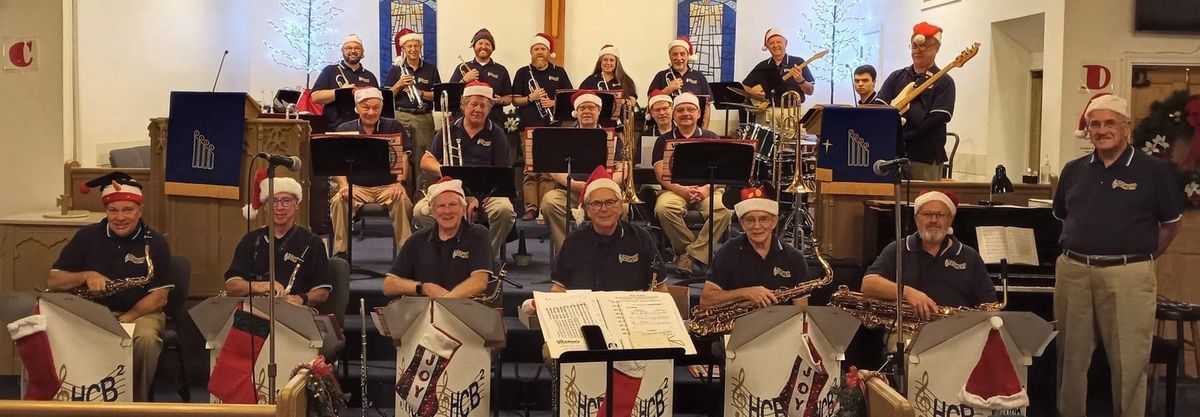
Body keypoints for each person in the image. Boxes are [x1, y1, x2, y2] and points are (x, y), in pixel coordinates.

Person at [1053, 94, 1183, 417]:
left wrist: (1141, 258)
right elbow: (1061, 215)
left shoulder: (1152, 171)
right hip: (1074, 273)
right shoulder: (1073, 171)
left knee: (1129, 364)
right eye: (1094, 124)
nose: (1101, 130)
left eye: (1110, 123)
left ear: (1126, 128)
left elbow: (1171, 225)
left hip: (1129, 276)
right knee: (1069, 362)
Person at [47, 172, 174, 402]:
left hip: (141, 313)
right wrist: (85, 275)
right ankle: (76, 399)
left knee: (146, 340)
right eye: (113, 210)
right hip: (91, 312)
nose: (120, 217)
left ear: (140, 210)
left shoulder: (155, 242)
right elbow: (54, 281)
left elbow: (160, 296)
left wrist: (126, 319)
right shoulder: (86, 237)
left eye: (127, 210)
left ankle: (134, 402)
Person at [415, 81, 515, 261]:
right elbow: (425, 161)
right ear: (463, 106)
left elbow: (502, 174)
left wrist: (478, 197)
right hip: (451, 188)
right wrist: (448, 173)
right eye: (473, 104)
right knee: (420, 211)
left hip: (487, 191)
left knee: (505, 210)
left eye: (483, 105)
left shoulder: (497, 134)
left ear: (489, 109)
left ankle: (483, 257)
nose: (478, 109)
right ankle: (444, 253)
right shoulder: (448, 129)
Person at [860, 190, 996, 321]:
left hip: (957, 334)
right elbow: (868, 284)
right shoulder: (897, 249)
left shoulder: (970, 256)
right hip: (907, 333)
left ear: (950, 219)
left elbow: (990, 305)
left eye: (941, 214)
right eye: (927, 214)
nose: (934, 220)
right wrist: (906, 292)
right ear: (916, 218)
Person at [328, 87, 414, 256]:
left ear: (381, 108)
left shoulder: (393, 125)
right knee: (338, 201)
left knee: (402, 201)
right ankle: (341, 253)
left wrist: (399, 183)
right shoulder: (344, 128)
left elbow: (403, 156)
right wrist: (344, 186)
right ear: (356, 108)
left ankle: (407, 254)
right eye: (366, 108)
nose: (371, 112)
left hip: (388, 186)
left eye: (376, 108)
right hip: (356, 187)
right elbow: (337, 164)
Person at [226, 170, 331, 307]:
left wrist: (300, 299)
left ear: (297, 204)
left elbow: (322, 292)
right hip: (254, 311)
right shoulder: (250, 240)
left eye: (286, 201)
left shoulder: (313, 242)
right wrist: (261, 286)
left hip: (295, 313)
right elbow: (231, 286)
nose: (279, 207)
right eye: (273, 201)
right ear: (265, 207)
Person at [552, 165, 665, 292]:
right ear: (588, 210)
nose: (604, 209)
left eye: (610, 202)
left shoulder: (641, 238)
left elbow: (660, 287)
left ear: (620, 206)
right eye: (596, 203)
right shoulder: (573, 242)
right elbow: (558, 287)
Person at [650, 93, 729, 275]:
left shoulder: (712, 137)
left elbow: (722, 174)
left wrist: (704, 190)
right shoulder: (663, 140)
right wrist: (683, 190)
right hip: (675, 190)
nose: (686, 113)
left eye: (690, 109)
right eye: (680, 110)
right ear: (674, 115)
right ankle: (693, 253)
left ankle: (690, 256)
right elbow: (661, 175)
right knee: (664, 209)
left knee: (723, 211)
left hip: (707, 189)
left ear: (699, 113)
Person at [539, 90, 628, 253]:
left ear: (599, 111)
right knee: (549, 202)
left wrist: (604, 185)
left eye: (591, 108)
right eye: (582, 108)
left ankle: (610, 252)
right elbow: (553, 168)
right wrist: (572, 184)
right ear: (576, 112)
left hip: (604, 192)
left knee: (626, 207)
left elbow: (622, 168)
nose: (587, 111)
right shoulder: (564, 136)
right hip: (570, 191)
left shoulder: (613, 137)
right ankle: (567, 253)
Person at [699, 186, 808, 307]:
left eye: (764, 219)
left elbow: (801, 312)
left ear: (774, 222)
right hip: (738, 324)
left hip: (782, 324)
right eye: (750, 220)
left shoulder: (794, 258)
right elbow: (706, 301)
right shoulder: (727, 251)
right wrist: (746, 293)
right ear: (742, 223)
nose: (757, 226)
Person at [383, 177, 490, 299]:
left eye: (453, 205)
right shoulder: (416, 240)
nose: (447, 211)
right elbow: (389, 285)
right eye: (441, 206)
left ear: (463, 209)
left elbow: (479, 281)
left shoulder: (478, 234)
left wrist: (445, 302)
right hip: (426, 313)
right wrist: (423, 288)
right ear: (432, 212)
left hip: (465, 311)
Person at [877, 22, 956, 180]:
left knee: (923, 201)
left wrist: (905, 136)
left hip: (925, 156)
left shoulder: (944, 81)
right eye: (914, 46)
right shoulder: (896, 76)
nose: (918, 51)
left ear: (937, 48)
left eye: (924, 46)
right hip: (892, 155)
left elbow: (937, 118)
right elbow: (879, 107)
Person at [513, 33, 573, 220]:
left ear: (549, 52)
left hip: (552, 128)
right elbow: (515, 100)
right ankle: (530, 208)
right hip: (529, 128)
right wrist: (531, 98)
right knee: (531, 170)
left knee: (548, 170)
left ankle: (544, 208)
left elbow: (570, 98)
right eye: (536, 49)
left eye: (543, 49)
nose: (539, 52)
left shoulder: (559, 72)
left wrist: (553, 103)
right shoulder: (523, 73)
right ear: (531, 52)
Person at [386, 28, 442, 193]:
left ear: (420, 48)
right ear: (403, 49)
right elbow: (388, 95)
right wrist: (399, 84)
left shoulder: (430, 69)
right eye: (409, 46)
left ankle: (424, 195)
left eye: (416, 46)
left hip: (423, 117)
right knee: (401, 156)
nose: (413, 49)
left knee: (423, 157)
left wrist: (421, 93)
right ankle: (403, 194)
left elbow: (437, 96)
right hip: (401, 115)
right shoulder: (396, 69)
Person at [741, 28, 816, 124]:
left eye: (779, 42)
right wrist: (753, 93)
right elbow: (744, 86)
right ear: (767, 46)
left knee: (793, 139)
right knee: (766, 139)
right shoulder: (762, 66)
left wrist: (800, 80)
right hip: (767, 112)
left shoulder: (798, 62)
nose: (775, 45)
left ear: (786, 43)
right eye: (771, 43)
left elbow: (810, 91)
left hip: (793, 112)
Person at [312, 33, 380, 129]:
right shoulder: (330, 70)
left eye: (357, 48)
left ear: (362, 51)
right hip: (334, 128)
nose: (353, 51)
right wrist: (340, 92)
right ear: (342, 51)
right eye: (348, 48)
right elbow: (315, 97)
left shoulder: (370, 76)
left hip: (364, 129)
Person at [449, 28, 513, 126]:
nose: (483, 47)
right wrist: (464, 80)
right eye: (480, 43)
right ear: (474, 46)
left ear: (493, 48)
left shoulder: (501, 70)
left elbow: (509, 98)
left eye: (487, 44)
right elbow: (450, 95)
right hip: (465, 122)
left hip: (494, 121)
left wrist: (500, 101)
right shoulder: (461, 68)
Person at [647, 37, 714, 128]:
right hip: (667, 129)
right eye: (675, 54)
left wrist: (704, 130)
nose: (679, 58)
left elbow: (707, 106)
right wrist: (668, 89)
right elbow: (651, 102)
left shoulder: (699, 76)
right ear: (670, 56)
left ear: (688, 56)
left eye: (682, 54)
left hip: (694, 128)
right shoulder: (661, 76)